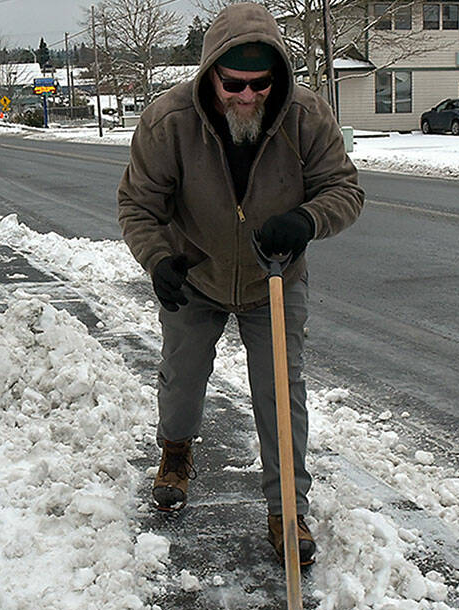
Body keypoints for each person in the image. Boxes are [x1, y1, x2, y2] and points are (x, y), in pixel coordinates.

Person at [117, 2, 364, 565]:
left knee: (280, 392)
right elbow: (137, 203)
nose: (248, 97)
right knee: (182, 376)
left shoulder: (305, 116)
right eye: (234, 84)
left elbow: (344, 191)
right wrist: (158, 261)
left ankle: (286, 511)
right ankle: (175, 454)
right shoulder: (168, 122)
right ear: (210, 76)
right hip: (194, 273)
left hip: (274, 278)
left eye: (261, 84)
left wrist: (306, 220)